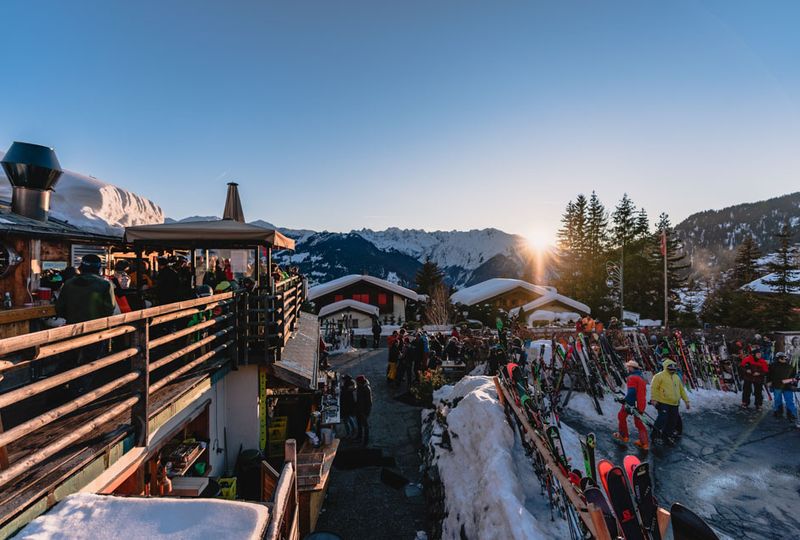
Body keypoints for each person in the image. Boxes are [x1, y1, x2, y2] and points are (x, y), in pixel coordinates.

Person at [56, 254, 116, 324]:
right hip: (97, 327)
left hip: (73, 327)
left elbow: (59, 308)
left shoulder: (68, 283)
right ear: (99, 268)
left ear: (81, 267)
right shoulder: (106, 285)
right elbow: (110, 308)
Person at [650, 359, 691, 445]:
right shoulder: (659, 376)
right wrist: (654, 399)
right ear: (666, 367)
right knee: (662, 419)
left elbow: (681, 390)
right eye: (670, 368)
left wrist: (686, 401)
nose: (672, 370)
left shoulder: (676, 377)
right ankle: (654, 436)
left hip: (674, 403)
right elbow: (654, 388)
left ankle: (666, 436)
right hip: (663, 402)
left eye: (674, 369)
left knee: (673, 420)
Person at [614, 361, 649, 450]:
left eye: (628, 367)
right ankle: (644, 443)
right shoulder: (641, 377)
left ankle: (624, 436)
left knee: (621, 416)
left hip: (631, 402)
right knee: (638, 422)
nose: (627, 368)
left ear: (632, 368)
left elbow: (632, 392)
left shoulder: (632, 377)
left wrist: (625, 400)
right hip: (641, 403)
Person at [768, 352, 797, 420]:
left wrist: (793, 383)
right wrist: (769, 382)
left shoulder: (789, 366)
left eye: (785, 357)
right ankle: (778, 411)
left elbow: (794, 377)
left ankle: (791, 413)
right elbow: (769, 375)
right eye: (783, 357)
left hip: (787, 386)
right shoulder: (772, 365)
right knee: (777, 400)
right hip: (777, 386)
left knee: (789, 400)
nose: (784, 359)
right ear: (778, 358)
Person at [355, 375, 372, 446]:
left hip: (364, 411)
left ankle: (365, 441)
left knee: (365, 426)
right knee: (359, 423)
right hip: (359, 409)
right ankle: (359, 436)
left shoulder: (366, 389)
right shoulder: (360, 387)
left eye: (357, 382)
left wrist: (365, 412)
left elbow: (369, 402)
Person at [340, 375, 357, 439]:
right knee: (349, 418)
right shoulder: (351, 388)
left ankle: (349, 433)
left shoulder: (347, 390)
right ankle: (353, 430)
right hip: (349, 406)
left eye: (344, 379)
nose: (342, 381)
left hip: (347, 407)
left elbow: (344, 397)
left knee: (346, 420)